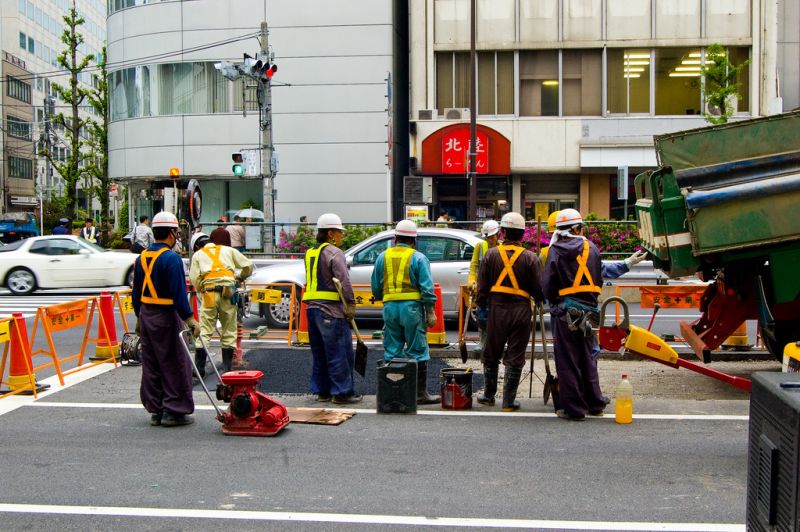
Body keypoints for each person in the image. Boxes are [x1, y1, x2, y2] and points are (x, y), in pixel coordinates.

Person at [541, 210, 647, 360]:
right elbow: (603, 269)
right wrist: (626, 264)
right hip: (587, 309)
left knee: (566, 355)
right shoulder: (588, 250)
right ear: (576, 229)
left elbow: (545, 287)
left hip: (562, 311)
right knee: (590, 352)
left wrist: (553, 304)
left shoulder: (549, 253)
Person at [132, 211, 202, 427]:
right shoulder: (171, 259)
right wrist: (190, 319)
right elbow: (179, 294)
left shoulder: (141, 257)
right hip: (165, 316)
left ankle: (157, 410)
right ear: (172, 232)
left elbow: (136, 293)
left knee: (151, 363)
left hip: (146, 315)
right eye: (176, 232)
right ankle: (174, 410)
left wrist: (138, 316)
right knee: (173, 362)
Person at [542, 208, 607, 421]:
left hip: (565, 310)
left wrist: (554, 301)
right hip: (589, 310)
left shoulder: (555, 250)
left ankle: (575, 409)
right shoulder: (593, 248)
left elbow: (548, 286)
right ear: (577, 227)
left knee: (568, 360)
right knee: (587, 357)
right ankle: (595, 404)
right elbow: (598, 280)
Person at [475, 212, 544, 412]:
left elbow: (482, 287)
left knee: (491, 353)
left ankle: (488, 396)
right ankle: (508, 401)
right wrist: (540, 301)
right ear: (523, 235)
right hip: (521, 311)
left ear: (502, 232)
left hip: (497, 310)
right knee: (515, 355)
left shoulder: (491, 254)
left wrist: (481, 307)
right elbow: (539, 289)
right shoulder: (531, 258)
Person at [371, 219, 440, 404]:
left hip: (390, 308)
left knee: (392, 350)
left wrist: (386, 299)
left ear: (395, 238)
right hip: (411, 309)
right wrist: (431, 311)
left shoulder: (382, 257)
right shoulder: (418, 258)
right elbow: (426, 288)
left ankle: (394, 393)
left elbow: (376, 287)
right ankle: (419, 394)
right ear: (414, 240)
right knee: (417, 349)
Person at [302, 213, 360, 404]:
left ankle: (323, 391)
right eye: (339, 232)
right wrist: (351, 304)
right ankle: (342, 393)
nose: (341, 236)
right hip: (331, 311)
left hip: (311, 309)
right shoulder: (334, 253)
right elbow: (344, 281)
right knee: (339, 352)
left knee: (320, 353)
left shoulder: (310, 252)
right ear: (330, 233)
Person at [189, 231, 253, 374]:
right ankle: (227, 370)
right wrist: (239, 278)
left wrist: (201, 289)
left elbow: (194, 278)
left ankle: (199, 370)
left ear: (198, 245)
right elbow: (248, 265)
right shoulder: (228, 250)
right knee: (229, 331)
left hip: (209, 294)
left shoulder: (198, 255)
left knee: (205, 331)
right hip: (228, 293)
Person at [467, 219, 500, 356]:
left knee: (498, 318)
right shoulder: (480, 247)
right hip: (483, 288)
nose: (490, 239)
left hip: (498, 289)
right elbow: (474, 266)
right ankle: (483, 341)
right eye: (487, 237)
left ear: (498, 235)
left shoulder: (502, 247)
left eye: (492, 236)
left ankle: (498, 343)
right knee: (482, 316)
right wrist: (472, 281)